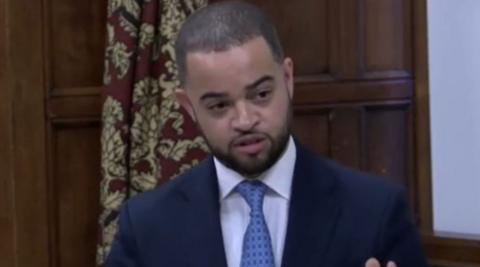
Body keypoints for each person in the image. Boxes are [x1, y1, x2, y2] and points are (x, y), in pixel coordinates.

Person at [105, 1, 427, 267]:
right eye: (219, 105)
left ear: (287, 78)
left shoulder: (376, 211)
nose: (245, 120)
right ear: (188, 107)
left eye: (260, 95)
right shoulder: (147, 225)